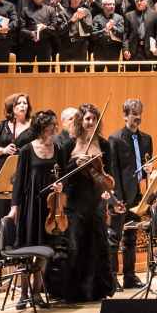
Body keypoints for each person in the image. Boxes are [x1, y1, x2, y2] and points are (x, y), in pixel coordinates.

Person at [48, 102, 117, 302]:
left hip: (95, 201)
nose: (90, 122)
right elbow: (61, 174)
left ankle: (97, 290)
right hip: (74, 201)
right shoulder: (69, 145)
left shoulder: (104, 145)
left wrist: (107, 189)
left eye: (94, 119)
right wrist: (74, 163)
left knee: (98, 245)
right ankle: (72, 291)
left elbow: (108, 175)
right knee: (74, 247)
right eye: (87, 118)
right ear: (80, 120)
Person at [3, 108, 63, 309]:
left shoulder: (58, 149)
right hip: (30, 205)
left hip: (49, 207)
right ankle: (24, 294)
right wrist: (14, 207)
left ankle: (37, 292)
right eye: (52, 125)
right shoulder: (28, 150)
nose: (56, 128)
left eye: (55, 124)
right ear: (43, 127)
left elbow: (62, 176)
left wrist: (61, 186)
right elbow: (19, 181)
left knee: (45, 250)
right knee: (27, 250)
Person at [108, 98, 153, 289]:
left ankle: (129, 276)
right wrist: (116, 199)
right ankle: (112, 278)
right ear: (125, 115)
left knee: (131, 238)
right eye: (134, 115)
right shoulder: (115, 139)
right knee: (114, 238)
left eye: (139, 114)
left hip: (136, 194)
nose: (137, 118)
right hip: (120, 196)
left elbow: (143, 167)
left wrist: (148, 170)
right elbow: (113, 170)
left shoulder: (146, 139)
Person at [0, 92, 31, 258]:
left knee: (19, 204)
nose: (22, 106)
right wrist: (3, 150)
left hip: (24, 169)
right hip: (3, 168)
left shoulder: (32, 126)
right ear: (11, 107)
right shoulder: (1, 125)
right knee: (1, 206)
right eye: (19, 103)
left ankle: (18, 247)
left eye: (25, 103)